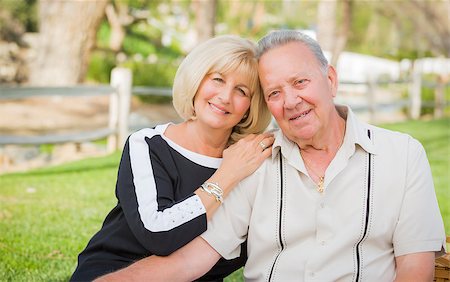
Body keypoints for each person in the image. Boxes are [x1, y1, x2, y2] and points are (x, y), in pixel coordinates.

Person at [95, 30, 446, 281]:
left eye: (300, 83)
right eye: (275, 92)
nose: (291, 101)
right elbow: (187, 262)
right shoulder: (254, 163)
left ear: (331, 80)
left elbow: (415, 270)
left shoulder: (402, 156)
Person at [70, 35, 274, 281]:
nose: (225, 96)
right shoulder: (148, 144)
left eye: (241, 90)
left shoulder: (250, 159)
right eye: (218, 79)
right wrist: (226, 176)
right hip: (115, 270)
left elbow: (239, 249)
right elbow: (157, 233)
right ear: (197, 81)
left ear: (250, 108)